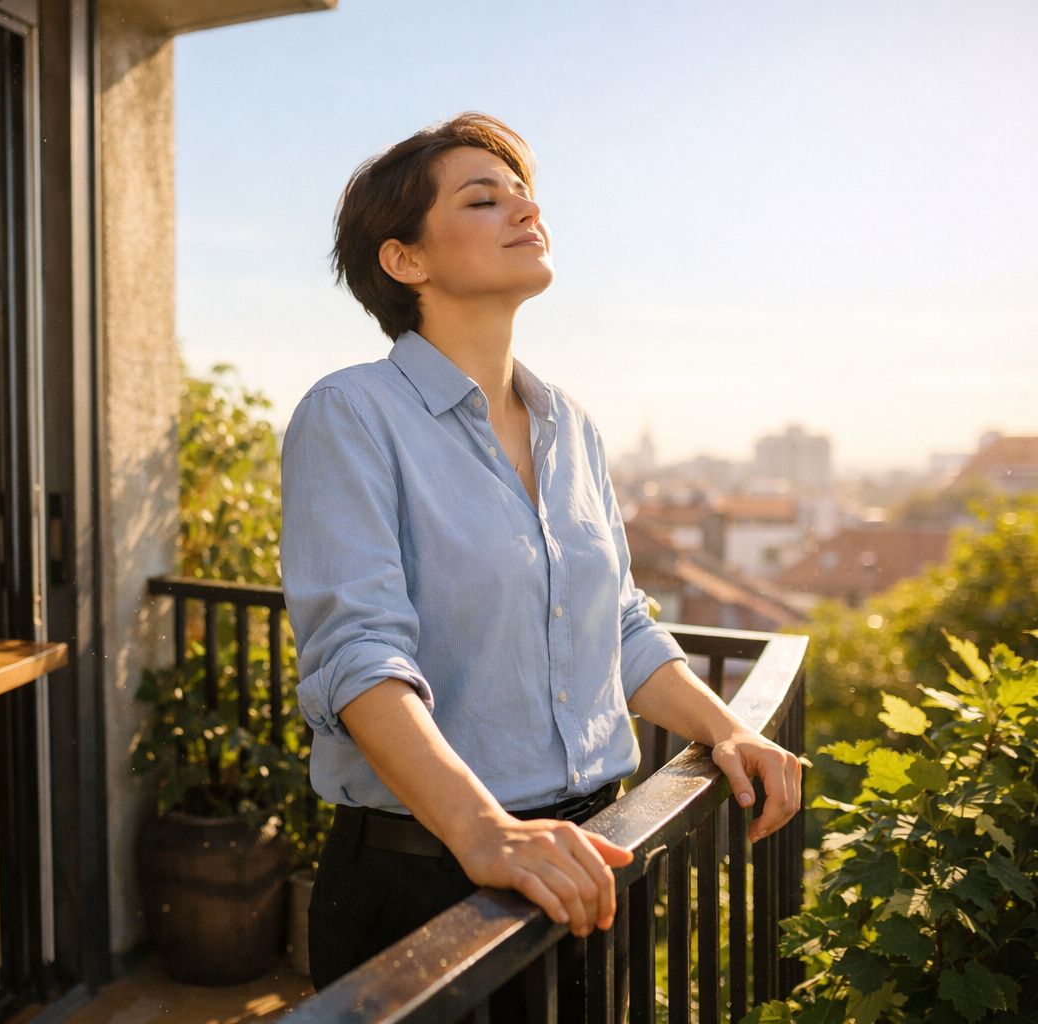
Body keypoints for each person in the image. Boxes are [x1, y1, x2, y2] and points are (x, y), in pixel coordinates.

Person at [279, 112, 802, 1011]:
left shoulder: (573, 425)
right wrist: (488, 834)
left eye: (526, 194)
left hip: (593, 861)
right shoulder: (352, 414)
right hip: (429, 882)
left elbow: (622, 625)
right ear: (406, 261)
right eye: (485, 198)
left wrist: (729, 730)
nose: (526, 210)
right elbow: (357, 657)